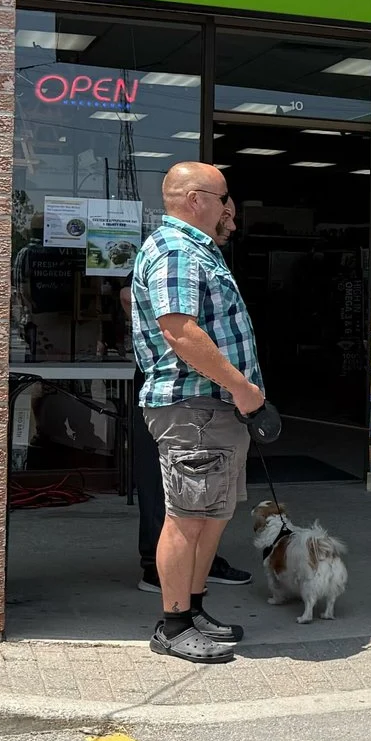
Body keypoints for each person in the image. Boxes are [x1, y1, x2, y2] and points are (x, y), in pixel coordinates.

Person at [128, 162, 264, 666]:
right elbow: (179, 332)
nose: (230, 207)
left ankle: (195, 608)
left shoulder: (197, 252)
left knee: (211, 515)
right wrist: (242, 388)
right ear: (194, 199)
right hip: (195, 406)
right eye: (223, 196)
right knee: (186, 517)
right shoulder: (176, 252)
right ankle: (174, 623)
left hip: (214, 408)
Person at [120, 282, 252, 595]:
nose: (232, 228)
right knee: (183, 504)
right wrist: (241, 387)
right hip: (183, 391)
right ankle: (168, 590)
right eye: (228, 225)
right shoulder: (173, 251)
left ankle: (191, 595)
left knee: (203, 503)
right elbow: (173, 327)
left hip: (198, 390)